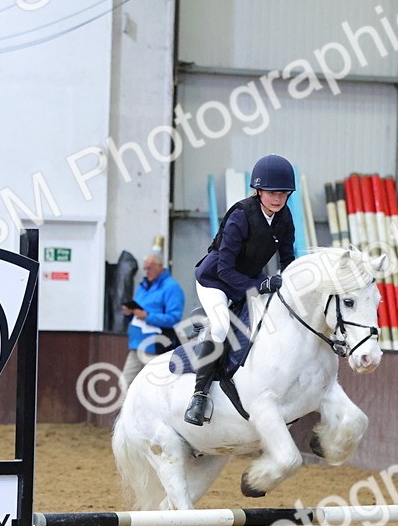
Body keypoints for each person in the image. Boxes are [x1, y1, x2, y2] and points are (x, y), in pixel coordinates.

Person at [185, 153, 297, 425]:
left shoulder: (284, 218)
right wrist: (261, 285)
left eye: (283, 193)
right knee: (222, 326)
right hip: (215, 281)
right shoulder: (240, 216)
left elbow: (287, 259)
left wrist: (291, 284)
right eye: (272, 192)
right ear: (258, 190)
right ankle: (199, 395)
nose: (278, 198)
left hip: (246, 280)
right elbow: (224, 270)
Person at [122, 254, 185, 388]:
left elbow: (174, 318)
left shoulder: (172, 287)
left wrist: (147, 316)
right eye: (145, 268)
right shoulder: (143, 286)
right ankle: (132, 410)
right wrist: (130, 313)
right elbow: (137, 313)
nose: (146, 272)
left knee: (155, 386)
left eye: (149, 268)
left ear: (160, 267)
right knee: (125, 383)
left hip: (156, 347)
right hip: (137, 345)